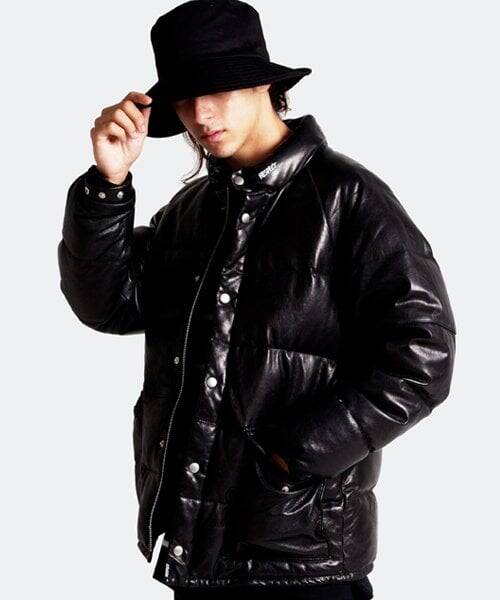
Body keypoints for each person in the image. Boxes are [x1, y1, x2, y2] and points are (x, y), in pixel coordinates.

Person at [57, 1, 456, 598]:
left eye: (217, 90)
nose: (200, 114)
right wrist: (108, 185)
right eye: (185, 99)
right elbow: (110, 304)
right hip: (195, 549)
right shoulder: (191, 213)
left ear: (265, 84)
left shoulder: (348, 199)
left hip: (300, 554)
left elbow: (424, 356)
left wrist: (292, 455)